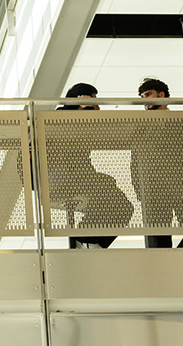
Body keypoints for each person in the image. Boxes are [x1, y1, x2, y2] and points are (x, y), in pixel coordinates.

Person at [50, 83, 133, 248]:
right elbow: (62, 132)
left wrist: (91, 110)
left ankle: (91, 242)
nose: (97, 104)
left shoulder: (88, 118)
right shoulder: (58, 115)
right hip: (63, 178)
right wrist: (79, 108)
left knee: (124, 206)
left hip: (84, 177)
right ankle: (86, 240)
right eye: (94, 99)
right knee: (106, 187)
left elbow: (101, 130)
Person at [133, 78, 183, 248]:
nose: (146, 100)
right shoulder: (140, 126)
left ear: (161, 94)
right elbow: (135, 162)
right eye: (143, 97)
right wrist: (140, 191)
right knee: (160, 241)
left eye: (148, 94)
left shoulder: (181, 121)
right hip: (154, 192)